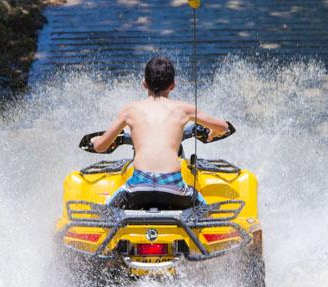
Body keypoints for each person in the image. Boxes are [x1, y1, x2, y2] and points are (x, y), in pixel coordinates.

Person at [91, 55, 229, 207]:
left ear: (144, 83)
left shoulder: (130, 110)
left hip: (138, 187)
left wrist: (95, 141)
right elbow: (223, 127)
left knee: (105, 212)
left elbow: (100, 147)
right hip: (174, 188)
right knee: (207, 213)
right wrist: (213, 133)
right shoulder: (184, 109)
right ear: (173, 85)